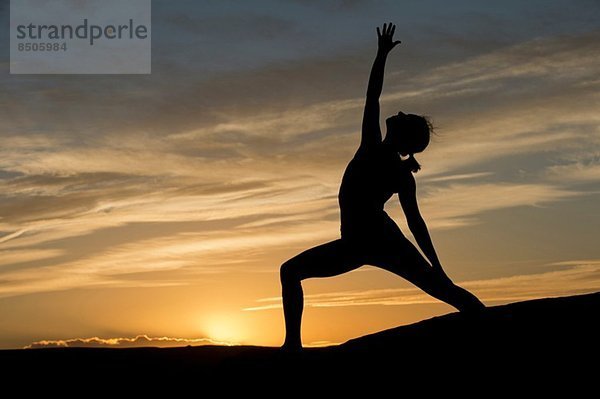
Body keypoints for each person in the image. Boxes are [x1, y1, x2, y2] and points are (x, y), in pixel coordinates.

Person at [280, 23, 485, 351]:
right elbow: (372, 95)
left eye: (404, 116)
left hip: (380, 241)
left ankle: (491, 324)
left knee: (443, 289)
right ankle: (292, 346)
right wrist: (381, 55)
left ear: (403, 135)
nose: (398, 111)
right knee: (290, 272)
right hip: (359, 243)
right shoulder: (381, 153)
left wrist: (439, 267)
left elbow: (417, 223)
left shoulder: (381, 154)